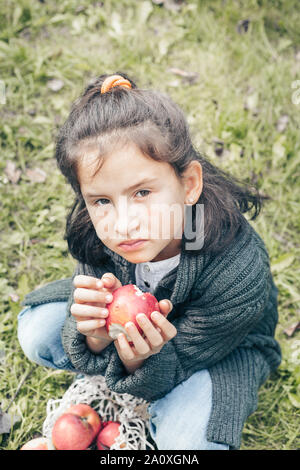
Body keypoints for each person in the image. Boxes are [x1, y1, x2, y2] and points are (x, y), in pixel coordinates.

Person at [18, 72, 281, 450]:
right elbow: (90, 328)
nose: (123, 223)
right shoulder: (97, 233)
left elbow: (177, 363)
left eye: (142, 192)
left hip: (212, 350)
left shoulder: (236, 269)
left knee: (193, 447)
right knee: (36, 330)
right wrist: (92, 337)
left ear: (189, 185)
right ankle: (116, 380)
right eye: (102, 201)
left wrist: (141, 363)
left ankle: (140, 400)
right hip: (133, 331)